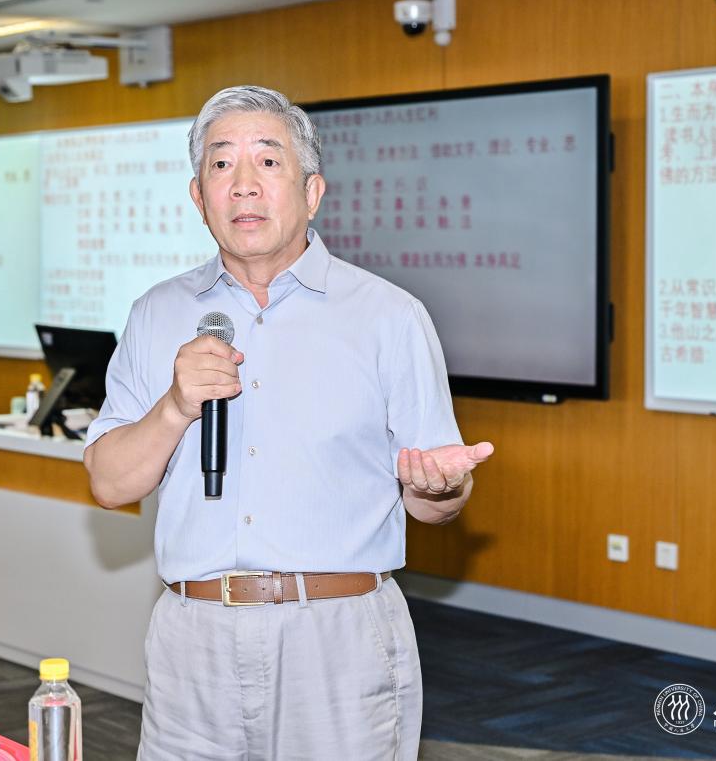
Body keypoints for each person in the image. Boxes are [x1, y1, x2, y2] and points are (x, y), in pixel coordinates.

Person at [83, 85, 494, 760]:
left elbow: (434, 501)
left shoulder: (389, 316)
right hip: (194, 639)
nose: (243, 183)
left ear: (312, 192)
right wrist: (175, 407)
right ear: (198, 197)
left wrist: (440, 488)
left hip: (337, 640)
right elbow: (108, 483)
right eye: (221, 164)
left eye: (268, 161)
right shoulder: (156, 313)